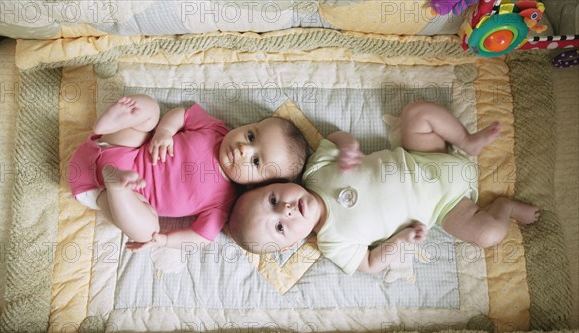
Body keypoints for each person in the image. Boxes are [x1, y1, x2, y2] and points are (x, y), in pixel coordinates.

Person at [229, 101, 540, 275]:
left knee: (416, 113)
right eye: (281, 227)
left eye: (272, 199)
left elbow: (334, 139)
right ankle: (505, 208)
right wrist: (402, 240)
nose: (284, 210)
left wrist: (347, 144)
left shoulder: (314, 172)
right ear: (290, 245)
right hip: (446, 206)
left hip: (423, 155)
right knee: (487, 234)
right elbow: (370, 264)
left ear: (279, 183)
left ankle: (466, 142)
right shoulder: (332, 243)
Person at [68, 94, 307, 250]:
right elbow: (182, 114)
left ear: (257, 185)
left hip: (105, 190)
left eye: (255, 161)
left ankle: (116, 186)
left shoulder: (222, 204)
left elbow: (199, 237)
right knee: (151, 113)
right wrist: (164, 132)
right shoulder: (216, 129)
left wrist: (165, 241)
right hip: (124, 148)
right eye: (251, 136)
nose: (244, 148)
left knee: (147, 230)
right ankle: (108, 124)